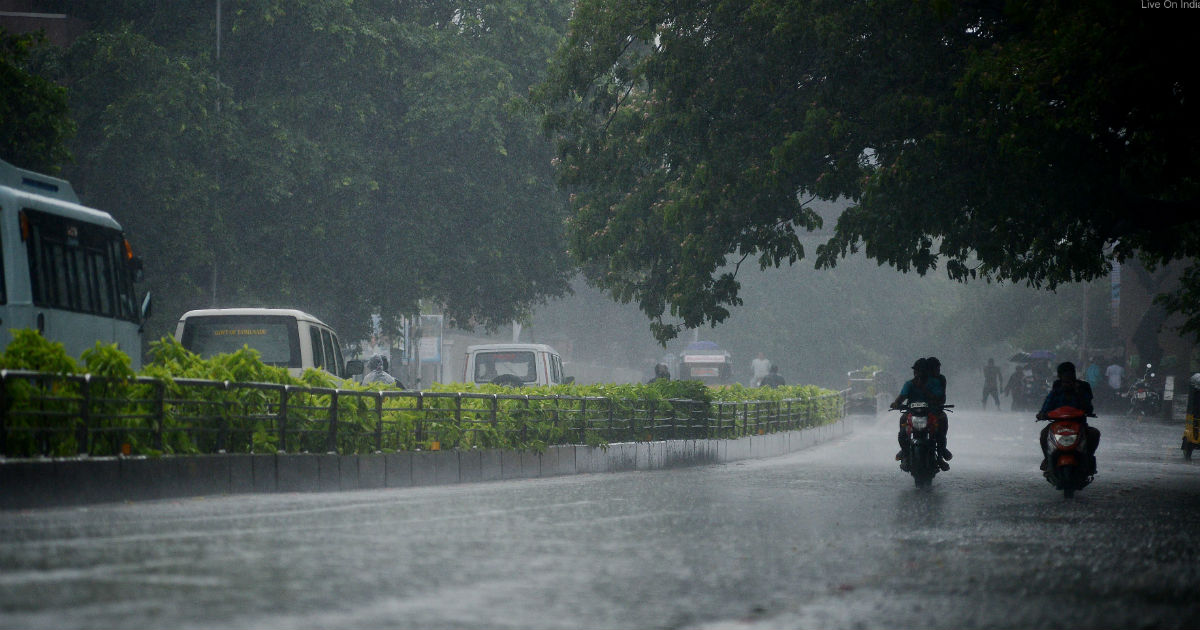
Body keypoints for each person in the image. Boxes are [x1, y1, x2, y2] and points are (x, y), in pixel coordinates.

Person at [1036, 361, 1100, 473]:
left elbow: (1088, 407)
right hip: (1057, 425)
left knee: (1094, 434)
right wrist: (1042, 414)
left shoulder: (1082, 390)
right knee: (1044, 435)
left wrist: (1079, 394)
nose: (1068, 382)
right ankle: (1047, 459)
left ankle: (1088, 459)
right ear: (1060, 377)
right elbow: (1047, 405)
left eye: (1070, 377)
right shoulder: (1056, 392)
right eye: (1065, 379)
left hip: (1079, 424)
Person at [890, 358, 950, 471]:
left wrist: (925, 390)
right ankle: (905, 452)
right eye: (916, 371)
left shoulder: (935, 383)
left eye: (920, 371)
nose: (918, 373)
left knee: (940, 428)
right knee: (902, 422)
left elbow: (940, 398)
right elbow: (901, 397)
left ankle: (940, 455)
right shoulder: (909, 384)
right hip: (912, 413)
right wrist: (896, 403)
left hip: (931, 413)